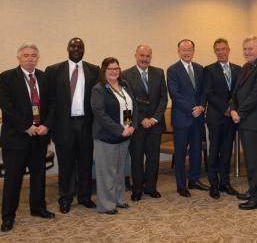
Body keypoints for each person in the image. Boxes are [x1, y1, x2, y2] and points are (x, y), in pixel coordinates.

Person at [0, 44, 55, 232]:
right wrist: (27, 127)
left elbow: (52, 105)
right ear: (19, 58)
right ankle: (8, 216)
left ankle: (38, 208)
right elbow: (7, 108)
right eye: (26, 56)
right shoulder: (6, 78)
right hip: (16, 138)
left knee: (38, 175)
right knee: (13, 179)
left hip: (39, 137)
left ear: (37, 59)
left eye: (33, 56)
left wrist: (46, 125)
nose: (30, 59)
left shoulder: (44, 77)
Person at [46, 37, 99, 214]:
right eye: (73, 45)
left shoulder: (94, 70)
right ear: (67, 48)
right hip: (64, 125)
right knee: (66, 163)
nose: (77, 48)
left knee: (85, 162)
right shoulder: (53, 70)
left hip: (86, 124)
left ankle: (84, 196)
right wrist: (50, 126)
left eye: (80, 46)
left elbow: (97, 100)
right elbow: (49, 101)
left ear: (84, 49)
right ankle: (66, 198)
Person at [230, 36, 257, 210]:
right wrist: (232, 108)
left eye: (250, 49)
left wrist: (240, 112)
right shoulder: (246, 67)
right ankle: (254, 190)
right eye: (245, 49)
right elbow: (236, 91)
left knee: (256, 161)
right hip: (243, 121)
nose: (247, 52)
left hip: (255, 122)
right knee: (251, 160)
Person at [91, 57, 137, 214]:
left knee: (119, 170)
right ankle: (106, 205)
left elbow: (134, 106)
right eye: (110, 69)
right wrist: (119, 130)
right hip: (106, 137)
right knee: (107, 172)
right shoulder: (99, 89)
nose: (114, 72)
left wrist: (132, 126)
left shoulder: (125, 85)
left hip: (125, 135)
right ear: (104, 71)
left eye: (116, 68)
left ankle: (119, 199)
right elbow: (100, 114)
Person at [122, 45, 168, 201]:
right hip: (137, 125)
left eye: (148, 56)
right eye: (141, 55)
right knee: (136, 159)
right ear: (135, 56)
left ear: (151, 57)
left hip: (155, 125)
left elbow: (163, 98)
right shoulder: (126, 75)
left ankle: (151, 188)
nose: (144, 58)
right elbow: (127, 102)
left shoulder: (159, 72)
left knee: (153, 158)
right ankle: (137, 190)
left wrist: (154, 118)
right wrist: (141, 119)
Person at [167, 39, 208, 197]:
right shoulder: (173, 70)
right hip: (182, 118)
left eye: (189, 50)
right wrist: (192, 109)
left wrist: (202, 106)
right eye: (183, 50)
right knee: (180, 152)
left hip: (198, 118)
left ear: (193, 51)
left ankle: (194, 180)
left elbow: (204, 91)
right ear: (179, 51)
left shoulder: (199, 69)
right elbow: (175, 94)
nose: (186, 53)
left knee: (197, 150)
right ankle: (181, 185)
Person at [204, 38, 241, 199]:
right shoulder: (209, 69)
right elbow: (208, 93)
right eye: (217, 49)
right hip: (215, 117)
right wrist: (225, 108)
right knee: (215, 151)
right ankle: (214, 184)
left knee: (227, 150)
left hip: (231, 118)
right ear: (215, 51)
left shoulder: (238, 69)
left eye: (223, 49)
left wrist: (232, 109)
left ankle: (225, 183)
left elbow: (238, 93)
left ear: (228, 50)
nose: (220, 52)